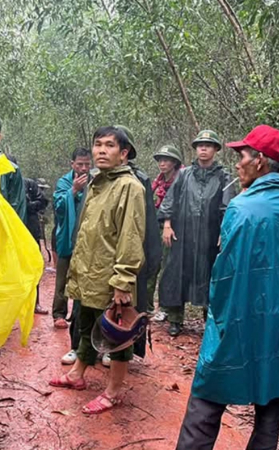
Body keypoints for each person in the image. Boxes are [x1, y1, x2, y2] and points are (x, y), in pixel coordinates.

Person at [176, 125, 279, 449]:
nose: (237, 163)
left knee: (207, 396)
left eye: (242, 155)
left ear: (260, 160)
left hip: (239, 320)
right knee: (271, 399)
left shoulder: (242, 207)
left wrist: (216, 322)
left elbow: (224, 278)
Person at [48, 126, 145, 414]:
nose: (101, 150)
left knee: (117, 334)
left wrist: (123, 281)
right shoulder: (97, 183)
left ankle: (113, 391)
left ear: (123, 153)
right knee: (87, 322)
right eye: (98, 145)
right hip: (89, 270)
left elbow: (130, 236)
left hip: (112, 276)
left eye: (109, 146)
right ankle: (78, 373)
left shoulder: (130, 187)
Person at [158, 129, 235, 336]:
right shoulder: (184, 174)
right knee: (176, 273)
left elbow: (227, 206)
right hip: (182, 234)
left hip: (210, 236)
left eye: (208, 145)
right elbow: (170, 199)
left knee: (210, 275)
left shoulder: (223, 176)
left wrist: (224, 231)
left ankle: (209, 322)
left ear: (215, 150)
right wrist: (166, 223)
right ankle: (175, 319)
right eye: (200, 145)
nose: (203, 148)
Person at [115, 124, 162, 359]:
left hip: (131, 250)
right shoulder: (97, 177)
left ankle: (124, 349)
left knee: (129, 301)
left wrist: (151, 258)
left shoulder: (140, 179)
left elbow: (148, 222)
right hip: (103, 251)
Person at [52, 147, 92, 344]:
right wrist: (73, 191)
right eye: (80, 164)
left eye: (87, 164)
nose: (84, 168)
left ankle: (79, 314)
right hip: (67, 237)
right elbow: (58, 206)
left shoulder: (95, 180)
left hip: (86, 240)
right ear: (72, 164)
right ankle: (58, 313)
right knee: (62, 277)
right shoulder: (64, 181)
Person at [149, 144, 182, 319]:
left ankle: (166, 308)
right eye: (160, 160)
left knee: (169, 268)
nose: (162, 163)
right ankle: (154, 305)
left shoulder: (181, 179)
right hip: (158, 227)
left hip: (175, 229)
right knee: (154, 265)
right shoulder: (159, 181)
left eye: (166, 160)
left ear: (174, 162)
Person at [24, 176, 50, 314]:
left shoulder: (29, 184)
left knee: (33, 267)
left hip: (30, 230)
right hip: (8, 233)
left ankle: (35, 303)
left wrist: (27, 206)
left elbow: (43, 201)